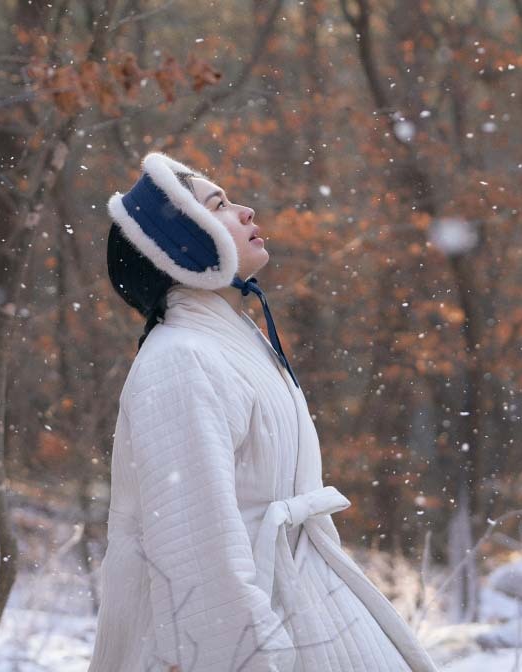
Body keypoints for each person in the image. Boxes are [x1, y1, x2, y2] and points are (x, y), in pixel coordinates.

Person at [89, 152, 438, 671]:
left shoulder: (231, 343)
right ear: (183, 245)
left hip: (300, 602)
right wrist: (247, 656)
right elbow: (194, 549)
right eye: (220, 205)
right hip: (249, 630)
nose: (247, 211)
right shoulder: (180, 360)